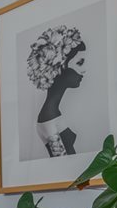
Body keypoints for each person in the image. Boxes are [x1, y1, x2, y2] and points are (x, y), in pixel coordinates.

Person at [27, 25, 87, 157]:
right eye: (79, 63)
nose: (84, 70)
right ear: (60, 67)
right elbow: (62, 161)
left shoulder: (51, 114)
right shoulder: (48, 119)